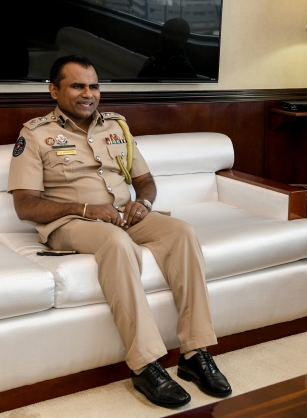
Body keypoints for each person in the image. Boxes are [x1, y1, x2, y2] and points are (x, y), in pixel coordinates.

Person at [7, 55, 230, 408]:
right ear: (54, 90)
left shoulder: (116, 126)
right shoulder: (35, 134)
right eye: (77, 86)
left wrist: (144, 202)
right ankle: (145, 363)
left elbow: (145, 180)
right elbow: (25, 205)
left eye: (93, 86)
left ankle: (194, 352)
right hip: (71, 223)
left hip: (124, 215)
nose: (88, 94)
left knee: (182, 232)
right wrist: (85, 209)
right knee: (116, 242)